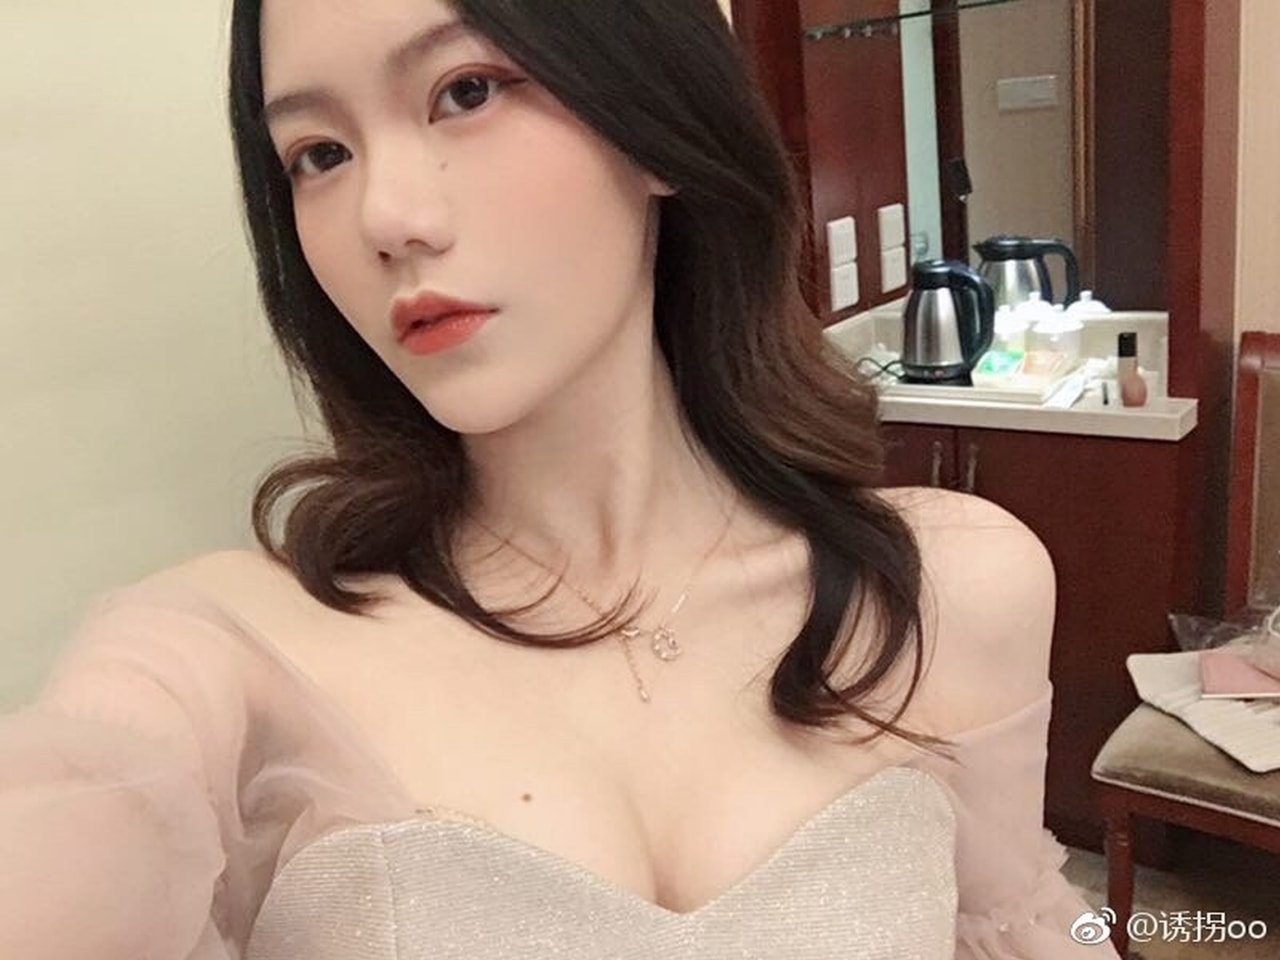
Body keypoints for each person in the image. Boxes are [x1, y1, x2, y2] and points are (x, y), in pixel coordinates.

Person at [0, 1, 1120, 957]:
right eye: (319, 154)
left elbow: (1023, 922)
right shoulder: (216, 659)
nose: (386, 219)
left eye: (466, 91)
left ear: (655, 122)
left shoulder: (953, 584)